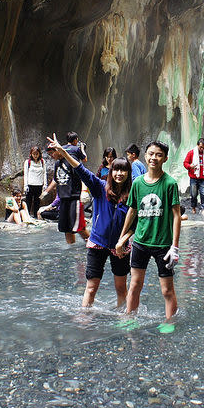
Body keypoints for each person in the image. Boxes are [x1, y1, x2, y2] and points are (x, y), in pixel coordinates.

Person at [48, 134, 132, 308]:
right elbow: (81, 170)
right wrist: (63, 152)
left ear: (128, 173)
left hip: (120, 246)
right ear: (111, 171)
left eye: (123, 170)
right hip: (97, 243)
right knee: (91, 287)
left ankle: (124, 321)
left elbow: (135, 222)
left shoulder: (132, 194)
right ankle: (85, 321)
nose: (119, 173)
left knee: (121, 288)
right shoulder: (100, 187)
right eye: (116, 169)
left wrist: (123, 241)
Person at [116, 141, 181, 321]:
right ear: (145, 156)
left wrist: (175, 247)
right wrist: (122, 238)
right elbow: (132, 211)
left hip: (163, 245)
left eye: (159, 155)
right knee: (135, 285)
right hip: (140, 243)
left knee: (167, 290)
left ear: (165, 158)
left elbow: (176, 216)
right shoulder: (137, 183)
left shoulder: (170, 184)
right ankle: (130, 319)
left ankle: (170, 322)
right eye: (151, 154)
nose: (154, 158)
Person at [48, 135, 89, 244]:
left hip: (74, 198)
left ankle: (94, 247)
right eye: (49, 154)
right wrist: (46, 191)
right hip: (63, 199)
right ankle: (71, 251)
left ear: (58, 150)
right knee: (66, 229)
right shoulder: (57, 164)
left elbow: (82, 175)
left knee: (79, 228)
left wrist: (84, 192)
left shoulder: (71, 160)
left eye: (52, 153)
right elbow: (57, 180)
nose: (51, 156)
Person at [183, 137, 204, 213]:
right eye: (201, 147)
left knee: (203, 194)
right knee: (193, 194)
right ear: (197, 145)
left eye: (203, 148)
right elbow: (185, 163)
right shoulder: (191, 153)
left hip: (203, 178)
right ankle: (193, 207)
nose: (202, 149)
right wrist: (190, 166)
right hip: (193, 178)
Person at [23, 146, 47, 218]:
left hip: (39, 185)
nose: (35, 156)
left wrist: (45, 184)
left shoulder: (42, 162)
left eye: (37, 154)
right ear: (31, 154)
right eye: (34, 154)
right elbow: (26, 174)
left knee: (37, 202)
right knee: (28, 202)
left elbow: (44, 173)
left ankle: (36, 216)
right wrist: (25, 185)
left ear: (39, 154)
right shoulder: (28, 162)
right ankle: (27, 216)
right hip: (30, 185)